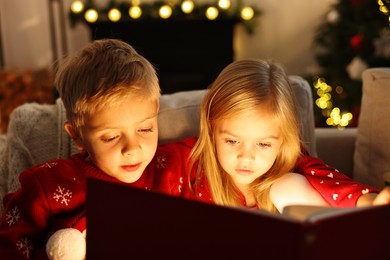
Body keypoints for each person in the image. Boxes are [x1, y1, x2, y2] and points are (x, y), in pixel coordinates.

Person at [0, 39, 205, 259]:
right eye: (111, 137)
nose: (132, 148)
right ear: (77, 135)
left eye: (145, 128)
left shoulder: (172, 166)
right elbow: (10, 246)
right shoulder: (47, 185)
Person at [187, 58, 390, 212]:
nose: (246, 157)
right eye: (232, 141)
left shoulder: (291, 162)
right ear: (211, 129)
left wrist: (370, 201)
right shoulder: (187, 164)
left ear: (282, 138)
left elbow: (330, 181)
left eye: (263, 145)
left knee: (287, 186)